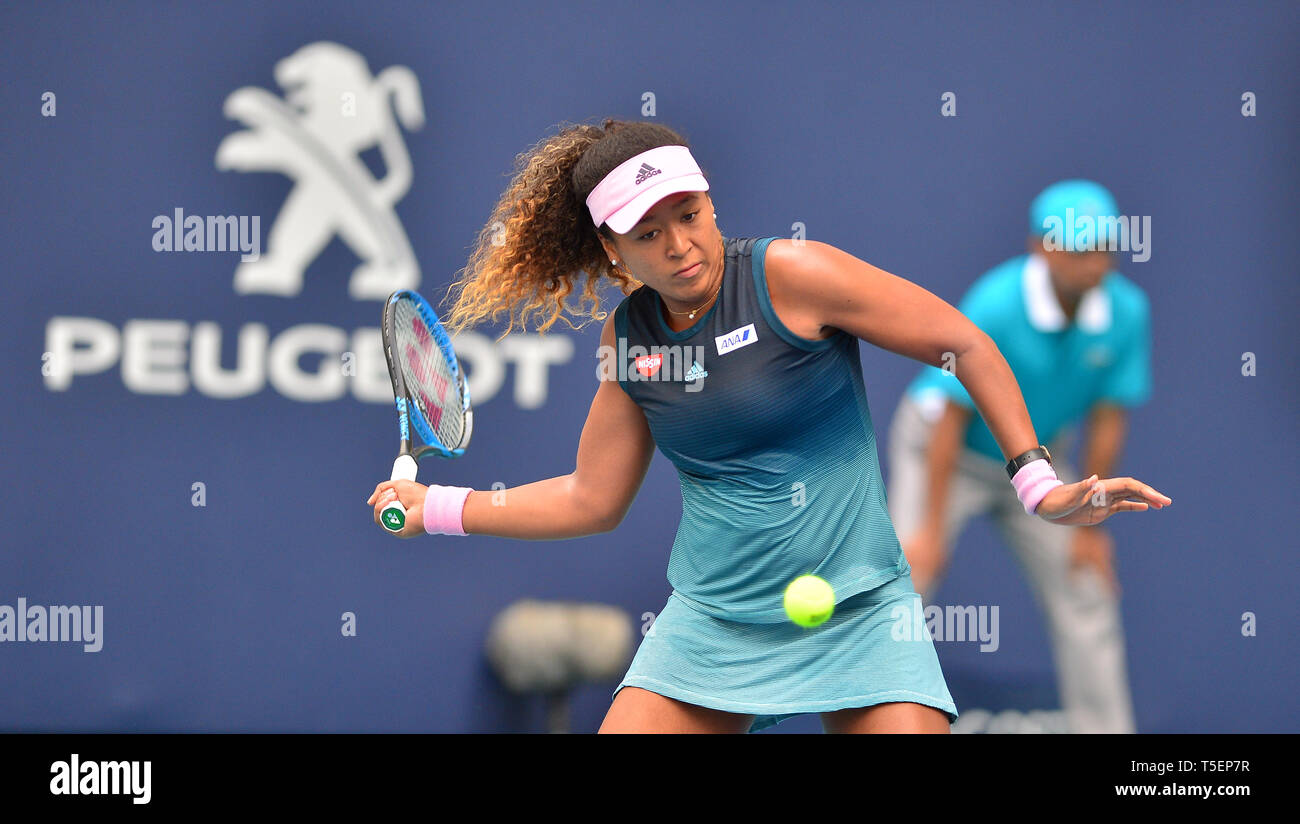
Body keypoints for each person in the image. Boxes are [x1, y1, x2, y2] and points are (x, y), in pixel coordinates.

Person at [366, 121, 1170, 734]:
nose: (682, 245)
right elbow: (592, 498)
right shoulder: (631, 343)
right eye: (650, 233)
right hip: (712, 626)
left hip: (860, 611)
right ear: (614, 255)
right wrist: (436, 508)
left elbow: (961, 342)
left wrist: (1035, 480)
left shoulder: (793, 277)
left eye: (691, 213)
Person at [887, 179, 1153, 733]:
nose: (1094, 263)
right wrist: (931, 532)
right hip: (944, 450)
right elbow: (950, 420)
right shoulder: (997, 302)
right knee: (905, 583)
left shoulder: (1127, 312)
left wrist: (1090, 528)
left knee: (1086, 583)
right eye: (1079, 249)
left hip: (1033, 465)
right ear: (1042, 248)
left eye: (1103, 247)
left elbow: (1108, 413)